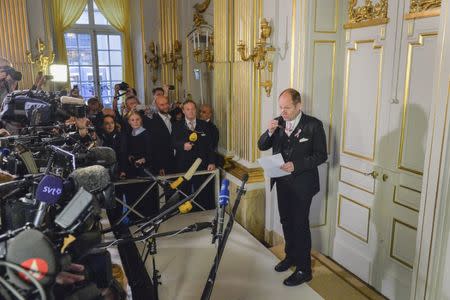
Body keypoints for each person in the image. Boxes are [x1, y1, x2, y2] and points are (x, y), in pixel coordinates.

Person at [257, 88, 327, 286]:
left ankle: (304, 269)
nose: (283, 111)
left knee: (300, 224)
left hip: (303, 185)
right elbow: (261, 145)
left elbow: (321, 155)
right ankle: (291, 257)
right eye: (281, 107)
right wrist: (269, 131)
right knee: (286, 221)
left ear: (299, 106)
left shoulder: (313, 125)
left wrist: (297, 165)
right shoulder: (278, 122)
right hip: (282, 182)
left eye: (287, 107)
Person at [172, 100, 216, 209]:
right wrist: (182, 145)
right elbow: (172, 142)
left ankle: (201, 212)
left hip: (201, 164)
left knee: (201, 191)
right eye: (188, 109)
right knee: (184, 192)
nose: (191, 112)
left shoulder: (204, 125)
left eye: (193, 109)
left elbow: (210, 146)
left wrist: (212, 161)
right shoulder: (177, 125)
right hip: (183, 165)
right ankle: (183, 214)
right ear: (183, 111)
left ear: (195, 110)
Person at [149, 95, 175, 176]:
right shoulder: (153, 122)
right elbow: (154, 147)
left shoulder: (173, 118)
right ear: (156, 106)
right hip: (163, 163)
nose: (165, 106)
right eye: (162, 105)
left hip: (176, 160)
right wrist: (160, 166)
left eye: (166, 103)